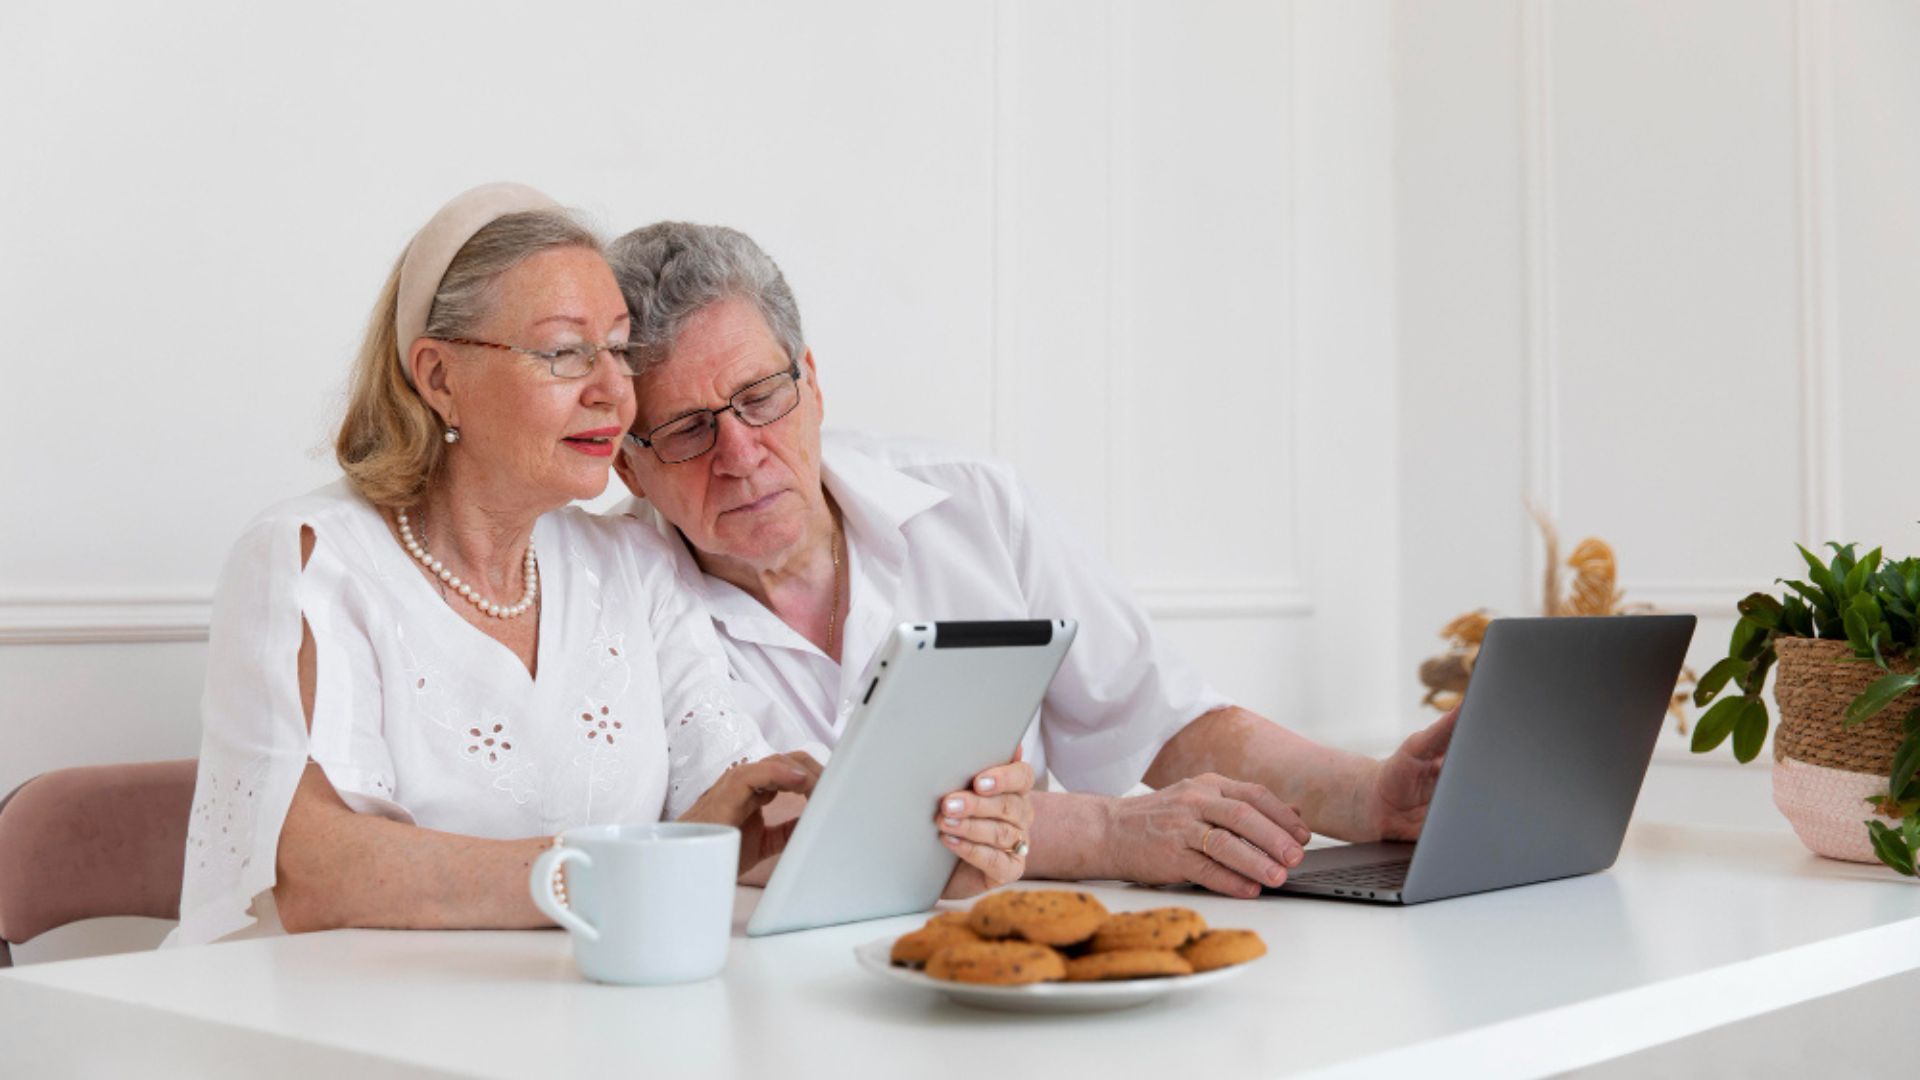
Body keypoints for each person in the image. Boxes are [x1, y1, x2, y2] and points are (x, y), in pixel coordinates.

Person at [171, 187, 1030, 946]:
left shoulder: (634, 562)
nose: (613, 392)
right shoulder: (311, 561)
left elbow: (738, 814)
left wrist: (928, 855)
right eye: (564, 352)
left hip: (573, 1028)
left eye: (618, 350)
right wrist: (610, 875)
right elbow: (318, 871)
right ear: (438, 376)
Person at [605, 221, 1455, 900]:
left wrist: (1369, 794)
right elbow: (774, 823)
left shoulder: (972, 503)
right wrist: (1107, 834)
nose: (741, 452)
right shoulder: (617, 592)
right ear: (627, 462)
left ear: (813, 382)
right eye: (686, 430)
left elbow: (1161, 718)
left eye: (761, 398)